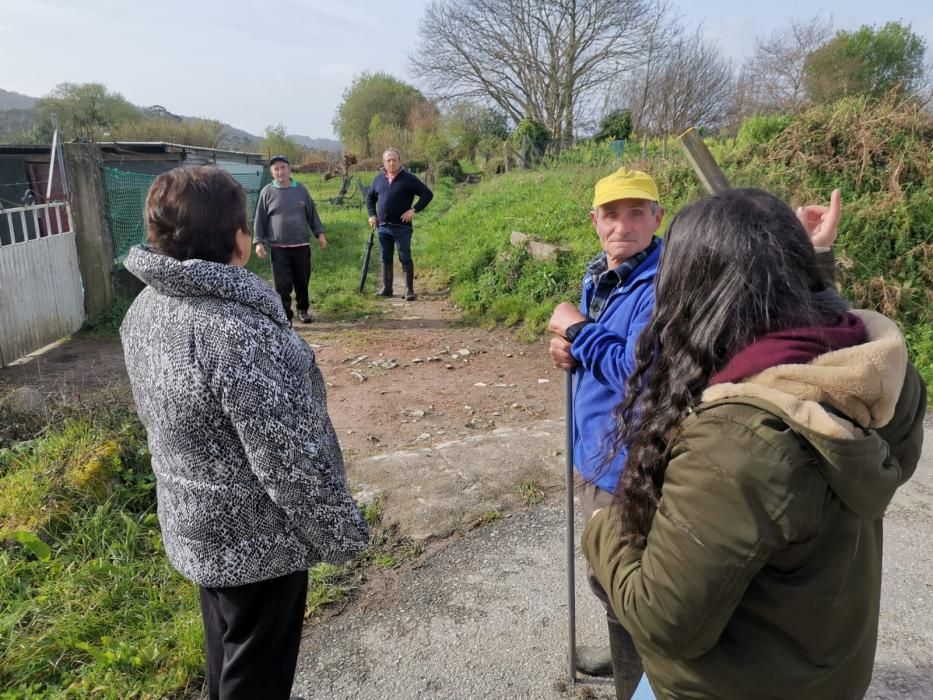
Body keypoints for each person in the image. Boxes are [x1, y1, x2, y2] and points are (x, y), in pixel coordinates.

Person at [582, 188, 926, 700]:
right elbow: (816, 319)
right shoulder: (873, 379)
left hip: (726, 685)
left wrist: (601, 528)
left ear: (692, 291)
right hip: (820, 668)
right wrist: (813, 262)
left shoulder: (738, 442)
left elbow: (665, 619)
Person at [120, 166, 369, 700]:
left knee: (227, 661)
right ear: (239, 239)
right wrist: (343, 533)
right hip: (258, 544)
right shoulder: (240, 334)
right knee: (254, 679)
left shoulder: (146, 308)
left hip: (194, 525)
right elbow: (291, 463)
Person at [547, 167, 665, 694]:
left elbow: (637, 371)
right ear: (594, 222)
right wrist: (569, 349)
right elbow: (597, 352)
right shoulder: (603, 274)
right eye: (611, 213)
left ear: (658, 218)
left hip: (629, 464)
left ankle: (639, 685)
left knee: (625, 582)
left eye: (637, 211)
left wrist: (577, 327)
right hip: (597, 451)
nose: (624, 224)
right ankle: (626, 665)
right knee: (608, 573)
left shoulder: (661, 283)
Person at [253, 154, 328, 324]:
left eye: (283, 167)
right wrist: (259, 242)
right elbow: (260, 219)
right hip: (278, 248)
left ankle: (303, 309)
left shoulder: (300, 190)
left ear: (289, 169)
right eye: (276, 169)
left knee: (302, 281)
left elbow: (312, 214)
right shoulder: (267, 192)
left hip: (301, 245)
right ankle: (285, 315)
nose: (280, 172)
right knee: (282, 285)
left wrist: (320, 234)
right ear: (272, 173)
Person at [366, 148, 433, 300]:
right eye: (388, 160)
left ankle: (409, 290)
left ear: (399, 161)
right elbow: (370, 198)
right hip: (383, 227)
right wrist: (372, 215)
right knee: (385, 257)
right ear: (384, 162)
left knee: (405, 256)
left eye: (394, 160)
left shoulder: (408, 179)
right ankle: (387, 288)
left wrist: (413, 210)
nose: (391, 163)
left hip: (402, 227)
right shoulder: (378, 179)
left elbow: (427, 194)